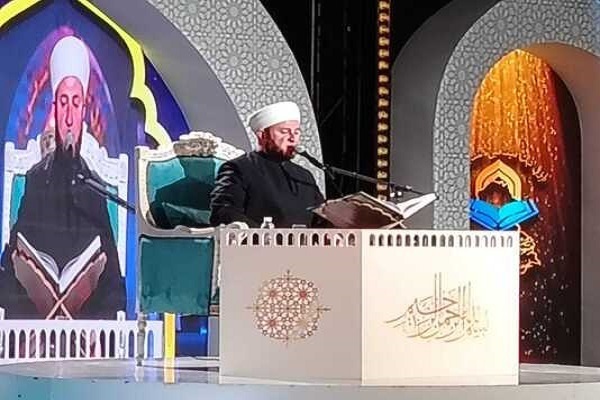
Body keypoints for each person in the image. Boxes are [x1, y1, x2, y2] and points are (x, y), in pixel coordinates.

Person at [0, 35, 125, 319]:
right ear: (55, 109)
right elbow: (13, 264)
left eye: (76, 103)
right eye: (63, 103)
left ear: (83, 112)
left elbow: (112, 281)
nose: (69, 117)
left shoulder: (94, 186)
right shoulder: (35, 180)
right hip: (36, 325)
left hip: (85, 328)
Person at [210, 101, 325, 228]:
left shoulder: (304, 176)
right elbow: (224, 212)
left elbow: (321, 218)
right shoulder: (238, 169)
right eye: (285, 131)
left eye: (296, 132)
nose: (292, 138)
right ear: (262, 135)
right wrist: (264, 235)